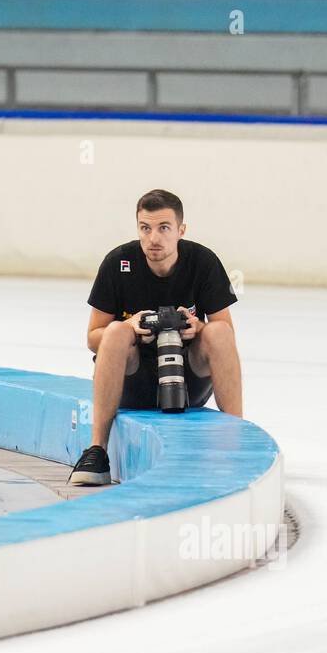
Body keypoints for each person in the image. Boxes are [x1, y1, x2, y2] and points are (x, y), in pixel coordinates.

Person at [68, 189, 243, 487]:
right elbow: (92, 337)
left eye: (163, 228)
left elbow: (226, 334)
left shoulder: (202, 262)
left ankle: (237, 443)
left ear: (181, 230)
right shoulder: (118, 263)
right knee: (114, 331)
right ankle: (97, 450)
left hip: (188, 380)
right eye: (145, 228)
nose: (153, 239)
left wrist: (196, 329)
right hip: (134, 381)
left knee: (218, 332)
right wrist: (131, 327)